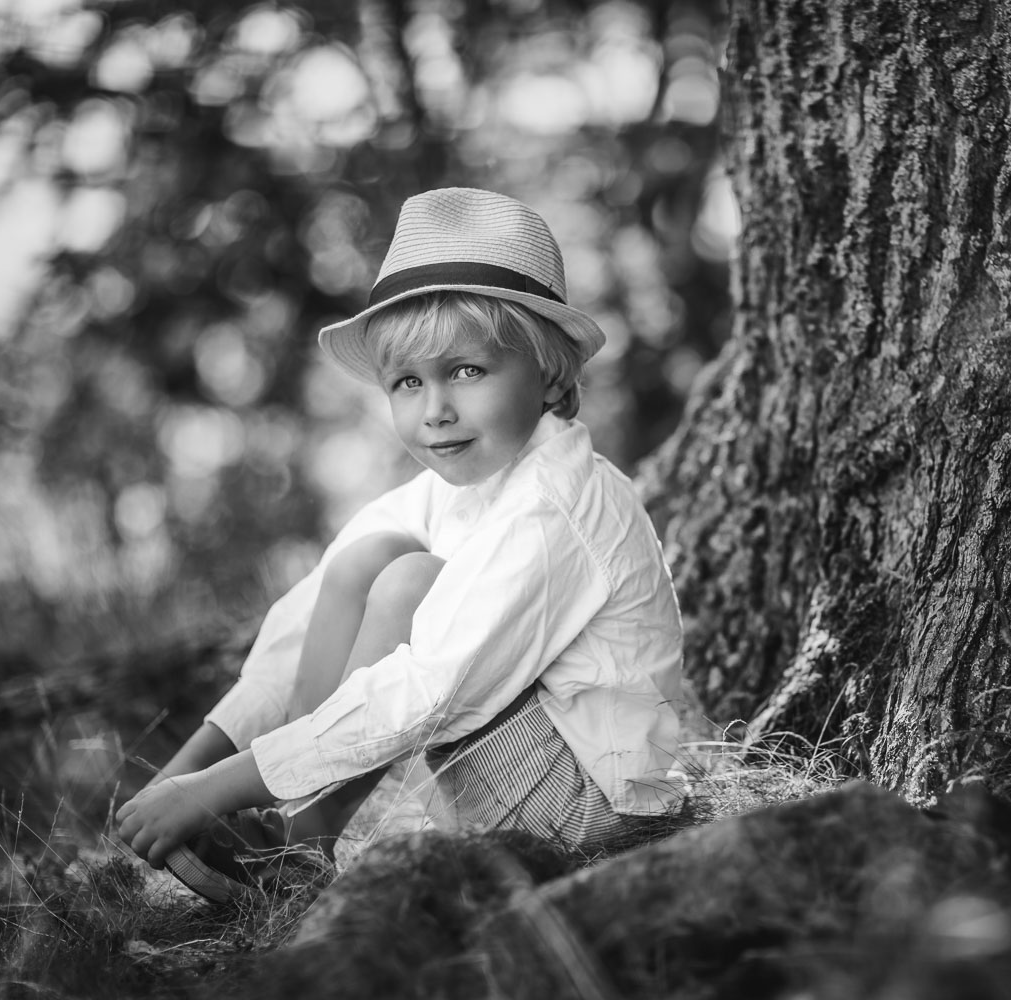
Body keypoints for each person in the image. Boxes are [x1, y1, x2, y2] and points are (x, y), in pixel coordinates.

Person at [116, 188, 687, 900]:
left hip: (596, 816)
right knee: (363, 561)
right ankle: (287, 829)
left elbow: (425, 692)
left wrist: (214, 791)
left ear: (547, 372)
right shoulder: (461, 485)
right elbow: (304, 620)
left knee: (411, 586)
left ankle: (297, 841)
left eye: (468, 371)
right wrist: (183, 775)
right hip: (531, 783)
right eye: (407, 383)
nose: (435, 411)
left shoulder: (555, 503)